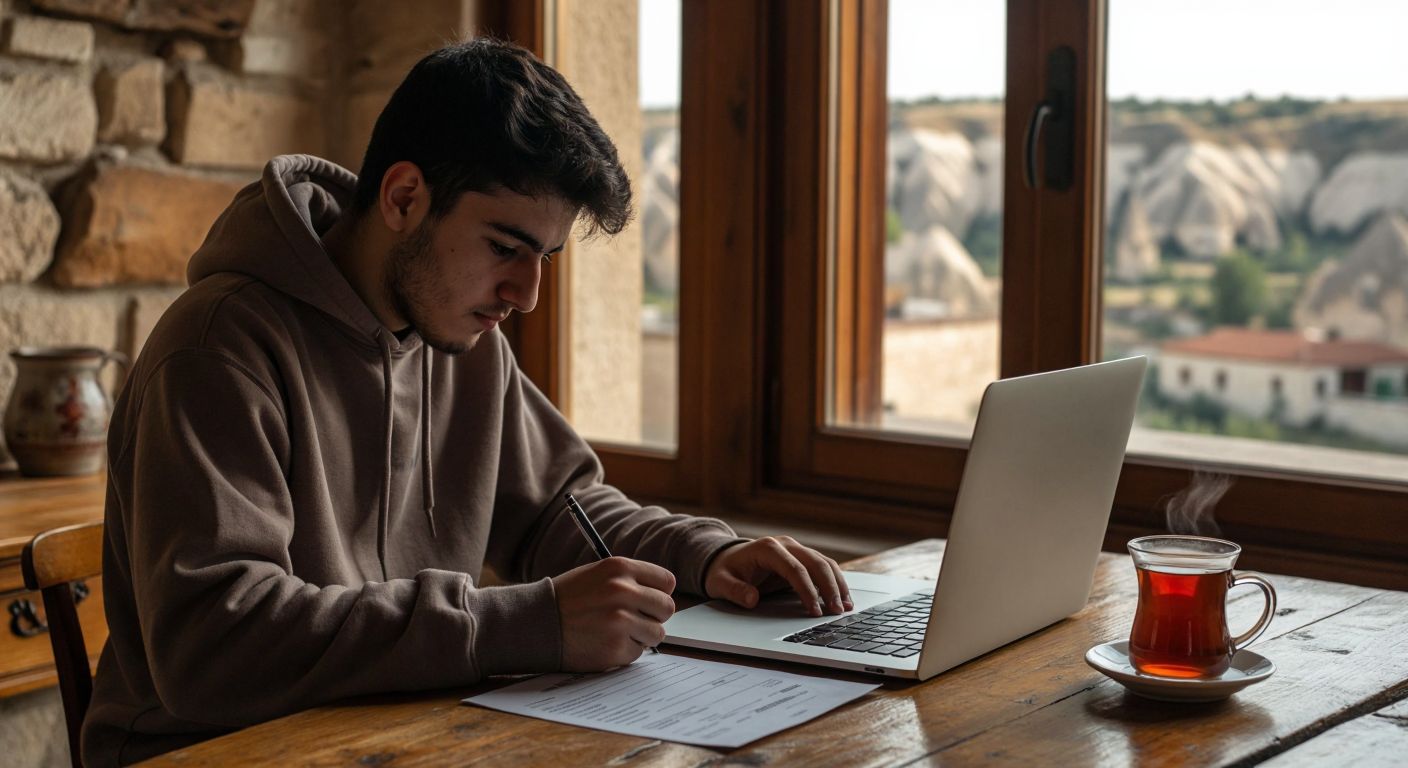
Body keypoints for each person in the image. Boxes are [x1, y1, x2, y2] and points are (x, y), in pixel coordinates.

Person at [82, 37, 852, 766]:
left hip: (398, 734)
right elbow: (212, 646)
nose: (526, 295)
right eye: (504, 247)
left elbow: (561, 512)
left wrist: (710, 556)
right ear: (405, 197)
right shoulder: (218, 348)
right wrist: (523, 623)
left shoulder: (463, 342)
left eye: (544, 258)